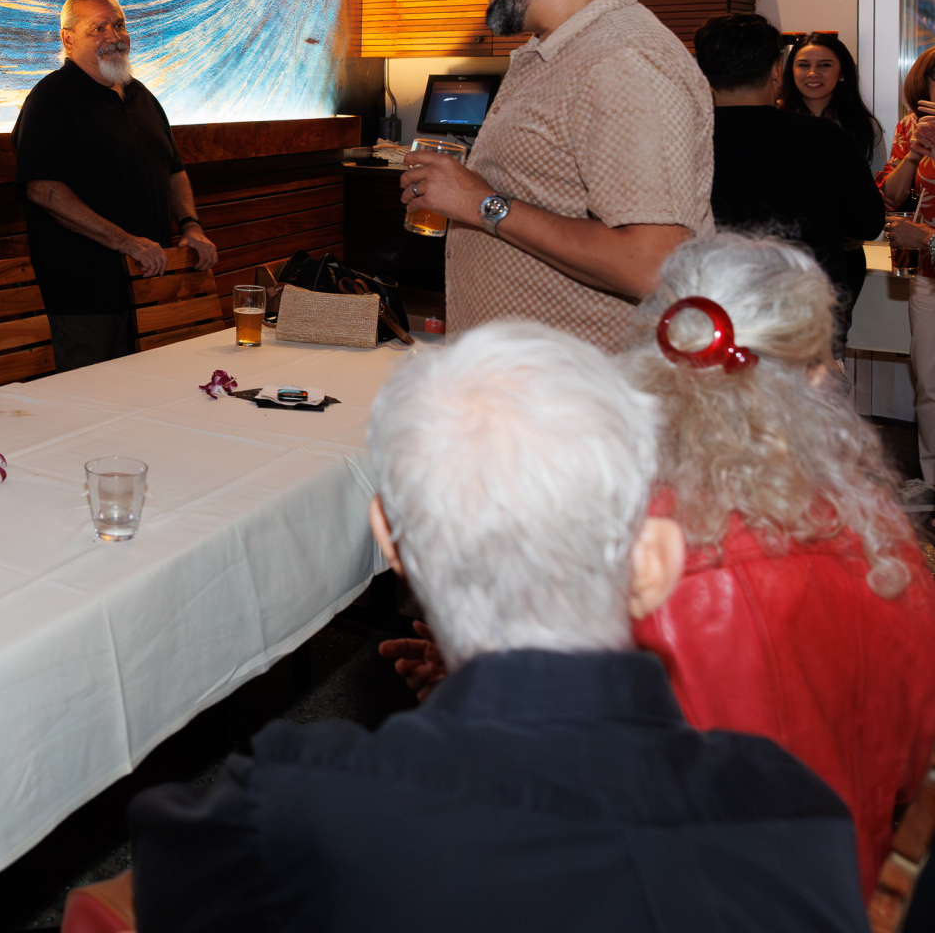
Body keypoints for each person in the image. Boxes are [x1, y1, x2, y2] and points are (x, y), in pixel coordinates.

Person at [128, 321, 868, 932]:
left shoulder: (297, 803)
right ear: (654, 561)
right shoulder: (795, 815)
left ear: (391, 543)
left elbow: (136, 898)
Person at [382, 234, 935, 899]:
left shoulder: (617, 550)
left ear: (651, 355)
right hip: (830, 893)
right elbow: (911, 763)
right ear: (818, 377)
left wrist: (482, 679)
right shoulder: (886, 545)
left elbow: (553, 786)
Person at [399, 0, 714, 352]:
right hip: (531, 382)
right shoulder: (561, 52)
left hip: (588, 390)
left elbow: (652, 264)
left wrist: (480, 204)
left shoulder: (621, 61)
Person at [12, 0, 219, 372]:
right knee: (91, 399)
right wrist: (125, 241)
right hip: (86, 298)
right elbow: (44, 190)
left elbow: (174, 170)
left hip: (151, 286)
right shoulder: (51, 98)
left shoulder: (143, 96)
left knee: (155, 392)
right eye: (98, 28)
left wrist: (192, 225)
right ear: (68, 39)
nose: (114, 36)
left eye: (119, 25)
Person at [695, 12, 883, 343]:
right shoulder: (826, 137)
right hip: (806, 314)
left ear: (702, 72)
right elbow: (867, 223)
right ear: (776, 70)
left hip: (711, 307)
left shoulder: (685, 139)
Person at [877, 45, 935, 494]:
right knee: (929, 385)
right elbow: (890, 196)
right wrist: (914, 154)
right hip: (927, 273)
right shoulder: (908, 126)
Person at [781, 32, 884, 166]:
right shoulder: (775, 124)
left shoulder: (864, 127)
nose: (813, 73)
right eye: (804, 65)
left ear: (842, 72)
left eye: (825, 65)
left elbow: (876, 177)